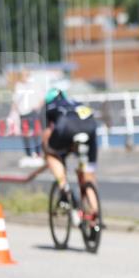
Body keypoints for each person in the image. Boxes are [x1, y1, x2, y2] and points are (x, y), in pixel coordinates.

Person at [41, 87, 100, 220]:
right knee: (88, 174)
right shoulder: (76, 103)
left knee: (50, 153)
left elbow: (47, 132)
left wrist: (46, 149)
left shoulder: (50, 106)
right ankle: (94, 211)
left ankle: (63, 187)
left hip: (66, 129)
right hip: (90, 131)